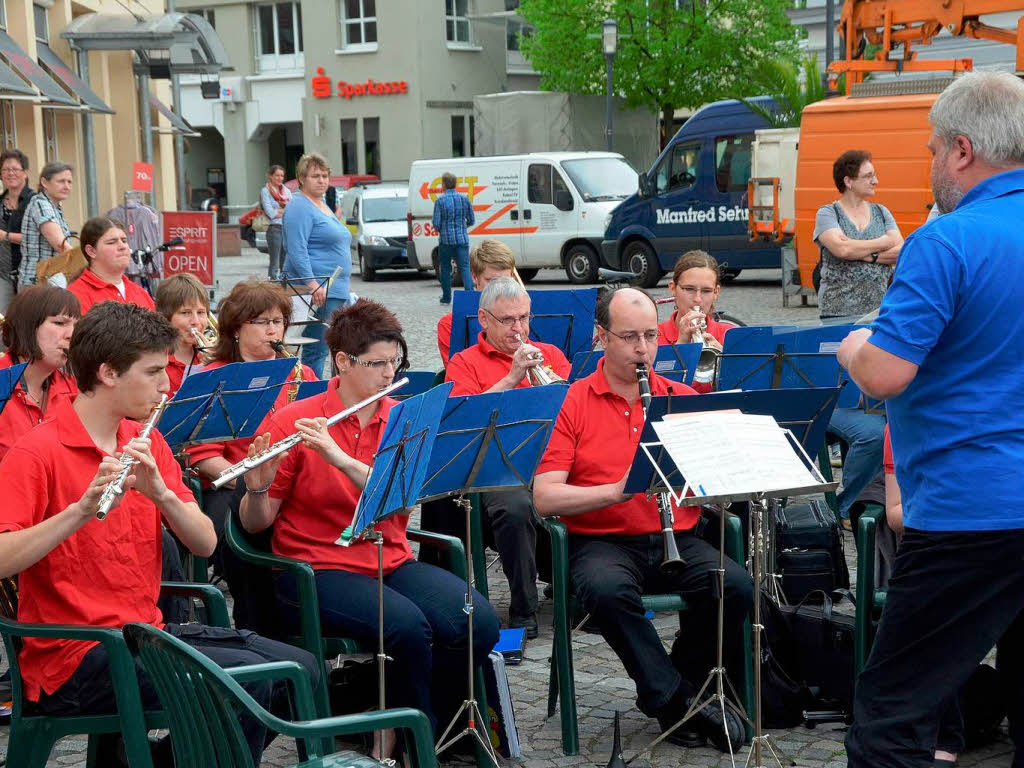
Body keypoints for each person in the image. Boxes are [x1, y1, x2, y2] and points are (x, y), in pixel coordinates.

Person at [0, 301, 321, 767]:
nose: (166, 385)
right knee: (251, 678)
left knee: (302, 670)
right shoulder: (37, 452)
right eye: (152, 372)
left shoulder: (144, 440)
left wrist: (163, 495)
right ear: (109, 373)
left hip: (144, 634)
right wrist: (79, 511)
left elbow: (206, 544)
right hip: (75, 655)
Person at [837, 71, 1024, 768]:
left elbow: (886, 373)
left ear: (964, 150)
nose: (931, 161)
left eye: (933, 146)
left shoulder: (944, 241)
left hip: (969, 509)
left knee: (892, 720)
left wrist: (855, 346)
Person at [239, 299, 499, 759]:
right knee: (408, 627)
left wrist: (337, 458)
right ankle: (402, 744)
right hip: (315, 568)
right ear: (342, 362)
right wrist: (257, 491)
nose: (387, 374)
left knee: (475, 620)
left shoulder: (401, 419)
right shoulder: (293, 420)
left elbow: (401, 497)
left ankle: (425, 727)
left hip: (388, 557)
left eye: (394, 363)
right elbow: (256, 524)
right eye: (376, 363)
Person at [533, 287, 751, 752]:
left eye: (651, 336)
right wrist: (615, 491)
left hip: (677, 534)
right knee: (607, 592)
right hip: (603, 541)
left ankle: (677, 683)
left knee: (734, 586)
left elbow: (715, 481)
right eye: (630, 336)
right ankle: (676, 701)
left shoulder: (681, 397)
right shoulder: (573, 401)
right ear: (602, 337)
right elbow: (544, 497)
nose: (643, 349)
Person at [185, 279, 316, 628]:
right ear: (237, 328)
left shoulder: (302, 374)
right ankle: (257, 623)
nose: (273, 330)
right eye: (262, 322)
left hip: (295, 485)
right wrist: (253, 483)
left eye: (278, 321)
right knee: (251, 532)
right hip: (232, 486)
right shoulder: (214, 378)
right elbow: (203, 456)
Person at [444, 277, 571, 636]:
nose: (519, 329)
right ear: (483, 319)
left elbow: (571, 412)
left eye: (524, 318)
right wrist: (513, 377)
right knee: (513, 506)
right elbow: (466, 420)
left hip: (550, 460)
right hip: (495, 467)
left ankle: (582, 583)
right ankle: (523, 609)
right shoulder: (464, 363)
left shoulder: (553, 356)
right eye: (508, 320)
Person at [283, 153, 352, 379]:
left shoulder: (321, 204)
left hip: (333, 289)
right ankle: (311, 395)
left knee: (326, 348)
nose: (322, 180)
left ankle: (321, 392)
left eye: (324, 176)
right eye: (315, 176)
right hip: (317, 290)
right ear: (301, 178)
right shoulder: (300, 206)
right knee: (316, 350)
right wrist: (312, 283)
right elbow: (296, 249)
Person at [814, 149, 903, 319]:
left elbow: (901, 252)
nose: (875, 181)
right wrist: (885, 241)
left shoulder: (881, 212)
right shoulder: (828, 213)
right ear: (848, 181)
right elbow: (843, 250)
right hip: (837, 314)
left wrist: (868, 255)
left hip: (878, 314)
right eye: (868, 176)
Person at [0, 285, 80, 461]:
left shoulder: (75, 389)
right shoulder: (2, 379)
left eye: (76, 325)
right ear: (26, 326)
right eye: (60, 323)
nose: (72, 334)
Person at [656, 249, 737, 393]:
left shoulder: (729, 334)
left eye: (706, 291)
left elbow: (744, 390)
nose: (698, 299)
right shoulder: (653, 337)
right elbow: (654, 391)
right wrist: (680, 347)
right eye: (689, 289)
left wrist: (726, 364)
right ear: (673, 288)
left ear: (716, 292)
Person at [436, 238, 520, 364]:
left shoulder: (524, 317)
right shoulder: (450, 324)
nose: (499, 289)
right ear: (474, 277)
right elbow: (456, 375)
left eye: (506, 281)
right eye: (491, 281)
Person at [68, 217, 156, 315]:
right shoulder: (76, 295)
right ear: (91, 251)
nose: (122, 246)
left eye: (124, 240)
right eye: (111, 242)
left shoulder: (140, 293)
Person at [154, 273, 211, 397]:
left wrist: (214, 366)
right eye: (185, 313)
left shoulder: (211, 356)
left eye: (201, 312)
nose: (195, 321)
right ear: (165, 317)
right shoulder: (154, 360)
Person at [18, 162, 73, 289]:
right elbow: (62, 245)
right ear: (44, 182)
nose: (67, 186)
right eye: (61, 181)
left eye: (69, 182)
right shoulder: (41, 205)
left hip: (47, 281)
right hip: (37, 284)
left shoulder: (53, 206)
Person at [432, 172, 474, 305]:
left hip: (446, 241)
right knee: (465, 267)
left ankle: (446, 297)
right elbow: (471, 220)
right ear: (455, 184)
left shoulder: (440, 201)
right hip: (462, 240)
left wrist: (443, 230)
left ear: (443, 184)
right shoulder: (464, 199)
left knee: (445, 268)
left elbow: (436, 223)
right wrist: (462, 227)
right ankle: (470, 296)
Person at [0, 149, 33, 312]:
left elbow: (38, 239)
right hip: (3, 275)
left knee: (29, 321)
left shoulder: (35, 201)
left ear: (25, 173)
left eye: (15, 169)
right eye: (5, 170)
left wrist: (5, 236)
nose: (10, 173)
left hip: (30, 274)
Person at [261, 164, 291, 278]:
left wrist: (279, 211)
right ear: (271, 176)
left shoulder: (286, 191)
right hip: (274, 230)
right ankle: (272, 287)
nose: (280, 178)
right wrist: (281, 212)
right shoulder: (265, 191)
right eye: (277, 175)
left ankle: (284, 287)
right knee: (275, 262)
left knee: (285, 261)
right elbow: (270, 213)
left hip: (286, 229)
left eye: (282, 176)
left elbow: (291, 210)